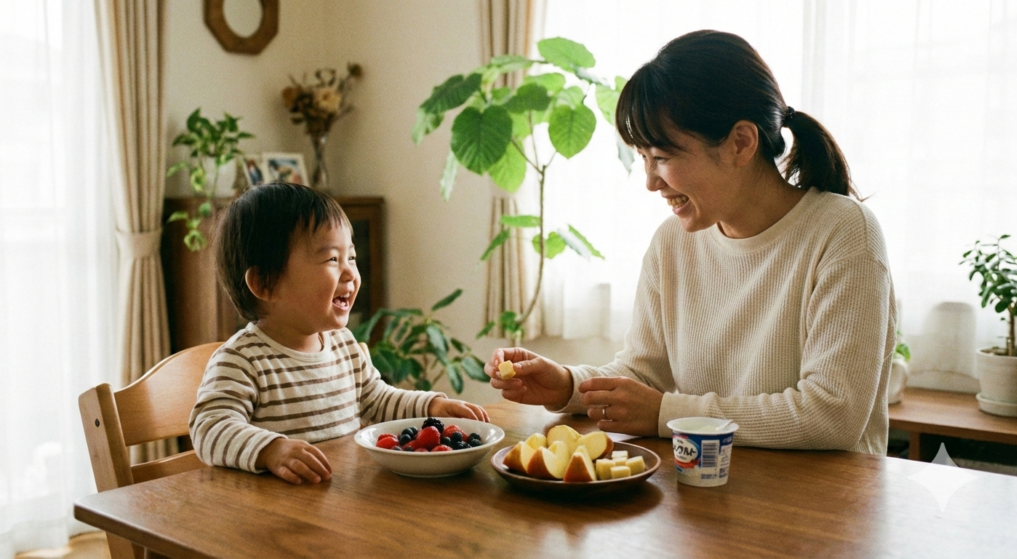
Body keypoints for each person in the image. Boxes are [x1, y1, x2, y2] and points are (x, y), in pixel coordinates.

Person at [486, 30, 896, 455]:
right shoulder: (672, 243)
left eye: (662, 157)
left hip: (823, 509)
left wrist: (667, 415)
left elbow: (831, 415)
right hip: (707, 493)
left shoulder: (845, 233)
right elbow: (645, 375)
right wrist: (568, 386)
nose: (649, 182)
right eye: (643, 158)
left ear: (741, 142)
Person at [190, 183, 488, 484]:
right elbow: (209, 428)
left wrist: (430, 406)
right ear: (266, 283)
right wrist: (270, 450)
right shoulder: (241, 360)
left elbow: (377, 400)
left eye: (352, 258)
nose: (350, 273)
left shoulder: (342, 344)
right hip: (278, 517)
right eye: (332, 259)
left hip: (341, 502)